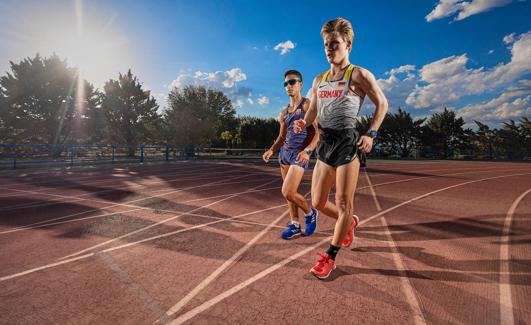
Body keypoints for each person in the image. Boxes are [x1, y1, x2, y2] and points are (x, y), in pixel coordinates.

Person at [294, 18, 388, 279]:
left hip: (348, 143)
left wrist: (372, 134)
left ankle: (330, 257)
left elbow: (382, 103)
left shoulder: (358, 74)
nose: (328, 48)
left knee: (343, 202)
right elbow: (312, 110)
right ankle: (348, 222)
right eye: (326, 44)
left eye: (334, 44)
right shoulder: (319, 80)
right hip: (325, 144)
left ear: (347, 44)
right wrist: (305, 122)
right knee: (318, 202)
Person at [263, 69, 319, 239]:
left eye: (292, 82)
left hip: (299, 154)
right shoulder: (284, 112)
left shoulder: (308, 105)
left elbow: (318, 132)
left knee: (287, 191)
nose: (289, 86)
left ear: (300, 84)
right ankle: (295, 224)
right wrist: (272, 149)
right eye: (286, 83)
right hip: (284, 155)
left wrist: (308, 151)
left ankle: (310, 214)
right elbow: (282, 136)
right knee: (290, 195)